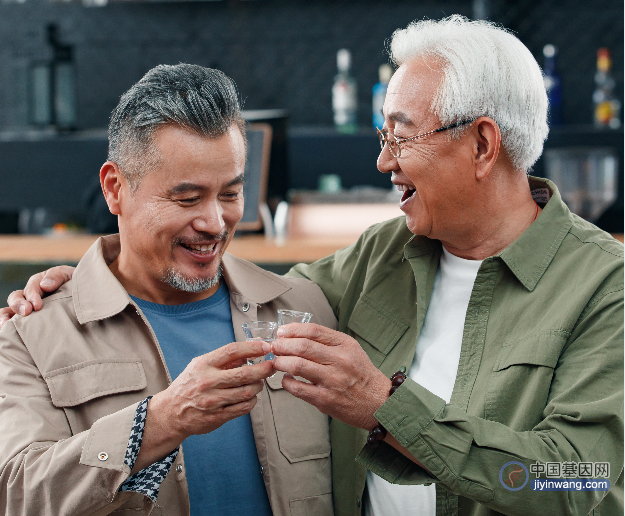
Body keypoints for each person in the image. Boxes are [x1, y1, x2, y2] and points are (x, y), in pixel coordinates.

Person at [3, 16, 623, 516]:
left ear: (483, 144)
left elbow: (576, 481)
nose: (384, 162)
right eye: (383, 136)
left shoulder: (604, 287)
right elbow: (225, 281)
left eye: (401, 137)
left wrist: (385, 406)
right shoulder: (379, 259)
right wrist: (81, 282)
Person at [0, 64, 336, 516]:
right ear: (115, 189)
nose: (215, 223)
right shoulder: (26, 335)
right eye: (187, 199)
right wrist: (161, 420)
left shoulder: (306, 305)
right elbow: (18, 495)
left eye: (232, 194)